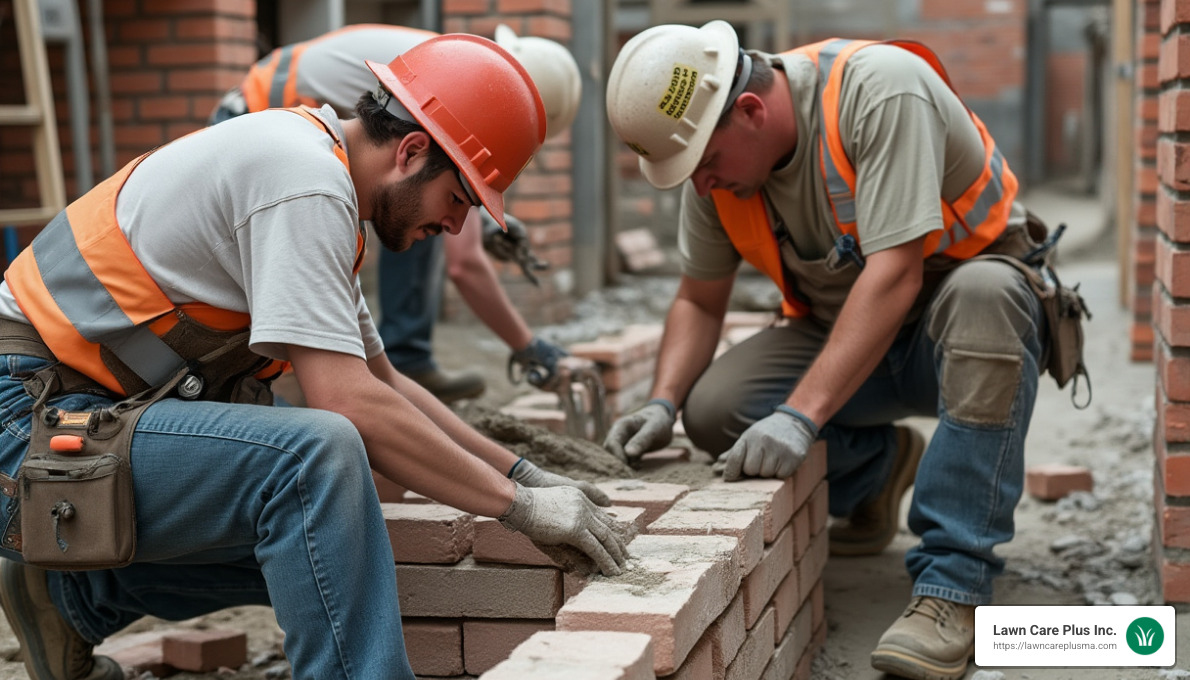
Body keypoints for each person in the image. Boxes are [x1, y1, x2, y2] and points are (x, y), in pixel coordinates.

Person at [0, 34, 625, 680]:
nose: (457, 228)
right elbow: (346, 404)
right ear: (412, 152)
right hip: (24, 423)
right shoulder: (304, 183)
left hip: (82, 411)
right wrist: (516, 509)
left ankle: (71, 596)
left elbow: (386, 385)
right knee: (316, 460)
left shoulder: (319, 178)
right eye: (459, 201)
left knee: (348, 521)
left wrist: (526, 477)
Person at [603, 21, 1057, 680]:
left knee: (987, 294)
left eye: (705, 167)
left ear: (751, 111)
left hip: (962, 329)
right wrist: (662, 402)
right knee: (718, 409)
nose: (701, 187)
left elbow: (896, 274)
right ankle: (878, 470)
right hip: (853, 334)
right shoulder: (718, 162)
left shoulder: (878, 91)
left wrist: (800, 416)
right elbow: (700, 300)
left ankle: (952, 586)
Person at [211, 23, 581, 402]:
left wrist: (482, 221)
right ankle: (330, 382)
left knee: (418, 209)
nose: (456, 226)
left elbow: (427, 163)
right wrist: (529, 347)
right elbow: (464, 263)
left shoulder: (451, 66)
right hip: (255, 117)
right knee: (412, 205)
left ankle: (400, 361)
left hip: (289, 122)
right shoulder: (451, 80)